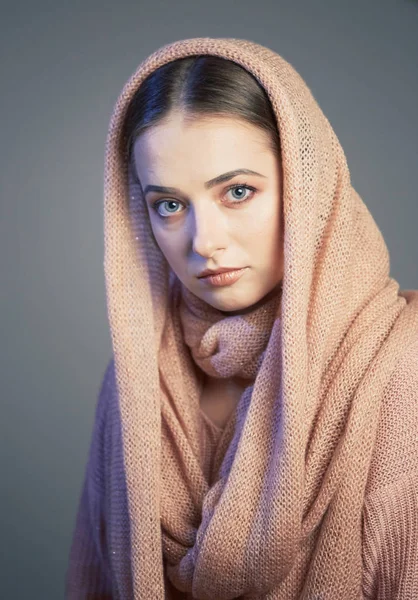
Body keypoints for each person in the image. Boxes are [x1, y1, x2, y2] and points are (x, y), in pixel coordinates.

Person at [65, 37, 418, 599]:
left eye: (237, 191)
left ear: (309, 184)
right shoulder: (135, 382)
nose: (204, 242)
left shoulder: (401, 368)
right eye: (170, 205)